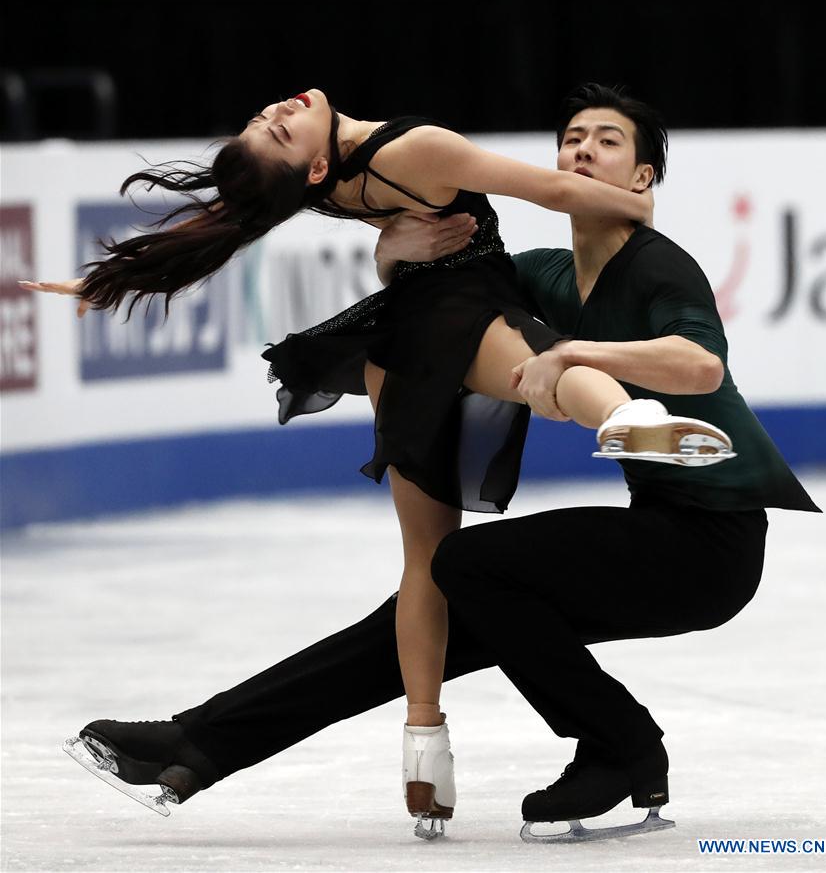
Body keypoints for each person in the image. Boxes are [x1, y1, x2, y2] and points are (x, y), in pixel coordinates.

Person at [23, 85, 738, 838]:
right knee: (433, 569)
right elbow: (236, 222)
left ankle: (628, 434)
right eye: (571, 139)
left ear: (643, 176)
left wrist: (622, 239)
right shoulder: (534, 261)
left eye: (605, 143)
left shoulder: (652, 268)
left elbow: (695, 363)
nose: (579, 153)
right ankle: (276, 745)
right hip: (415, 340)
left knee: (509, 445)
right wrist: (388, 255)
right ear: (311, 171)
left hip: (702, 535)